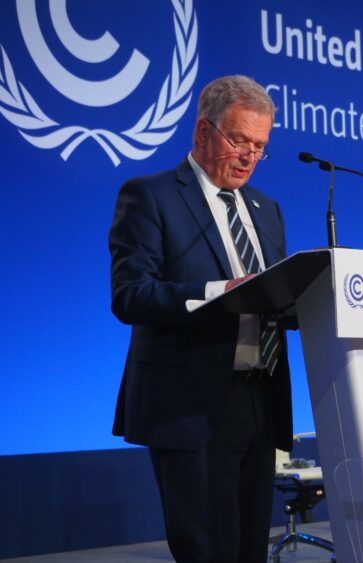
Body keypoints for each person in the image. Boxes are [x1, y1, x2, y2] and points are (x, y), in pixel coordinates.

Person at [109, 75, 293, 562]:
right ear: (202, 132)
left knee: (251, 548)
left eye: (260, 146)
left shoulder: (267, 210)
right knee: (208, 551)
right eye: (239, 141)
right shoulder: (151, 196)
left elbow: (275, 296)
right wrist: (219, 293)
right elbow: (131, 295)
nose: (250, 157)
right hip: (192, 403)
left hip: (261, 398)